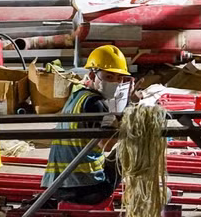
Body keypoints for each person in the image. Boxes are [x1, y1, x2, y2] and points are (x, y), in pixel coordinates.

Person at [42, 45, 134, 206]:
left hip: (56, 186)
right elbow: (106, 145)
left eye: (119, 79)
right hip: (87, 189)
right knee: (130, 149)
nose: (115, 83)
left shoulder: (77, 96)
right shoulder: (96, 104)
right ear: (92, 75)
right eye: (109, 77)